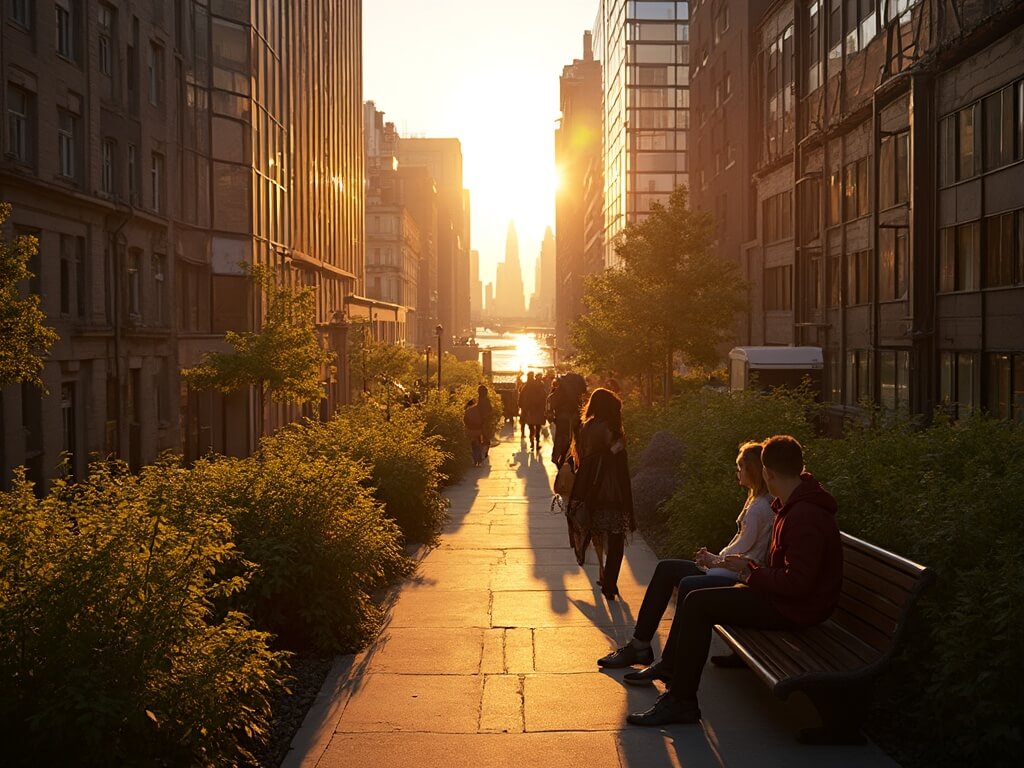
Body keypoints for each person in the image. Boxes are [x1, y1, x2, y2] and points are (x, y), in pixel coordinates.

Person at [625, 435, 843, 726]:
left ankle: (681, 701)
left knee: (699, 603)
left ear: (768, 473)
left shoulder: (804, 515)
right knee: (696, 598)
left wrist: (751, 572)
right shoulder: (794, 504)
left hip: (795, 609)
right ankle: (676, 687)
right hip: (786, 600)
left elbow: (798, 583)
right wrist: (749, 568)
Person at [597, 441, 774, 678]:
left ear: (752, 471)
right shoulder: (755, 502)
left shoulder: (759, 508)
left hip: (739, 576)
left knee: (689, 586)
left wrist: (713, 559)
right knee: (666, 569)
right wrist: (714, 558)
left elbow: (744, 549)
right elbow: (740, 544)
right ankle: (640, 645)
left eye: (741, 467)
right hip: (731, 569)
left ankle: (667, 662)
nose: (738, 472)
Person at [565, 388, 636, 600]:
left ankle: (603, 577)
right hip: (611, 492)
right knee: (616, 542)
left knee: (596, 535)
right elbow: (620, 467)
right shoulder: (612, 430)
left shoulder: (585, 428)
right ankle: (609, 583)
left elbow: (580, 460)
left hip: (589, 491)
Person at [549, 372, 586, 467]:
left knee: (561, 438)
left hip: (562, 418)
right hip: (575, 417)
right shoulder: (577, 391)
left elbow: (551, 402)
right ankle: (577, 458)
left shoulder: (560, 391)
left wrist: (551, 415)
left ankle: (558, 458)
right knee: (576, 438)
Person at [518, 371, 548, 452]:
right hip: (538, 410)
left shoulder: (526, 386)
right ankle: (537, 443)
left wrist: (521, 406)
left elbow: (521, 398)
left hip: (529, 410)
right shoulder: (539, 385)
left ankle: (532, 443)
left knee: (531, 427)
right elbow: (544, 396)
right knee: (538, 428)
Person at [463, 398, 485, 466]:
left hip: (470, 431)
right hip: (478, 430)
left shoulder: (467, 411)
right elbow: (483, 420)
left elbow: (465, 420)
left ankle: (475, 461)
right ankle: (479, 460)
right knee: (479, 445)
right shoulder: (479, 411)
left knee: (473, 446)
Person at [476, 384, 494, 458]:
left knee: (479, 436)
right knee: (486, 437)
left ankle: (481, 451)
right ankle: (485, 452)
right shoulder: (486, 400)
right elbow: (490, 409)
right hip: (486, 421)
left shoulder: (479, 399)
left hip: (480, 421)